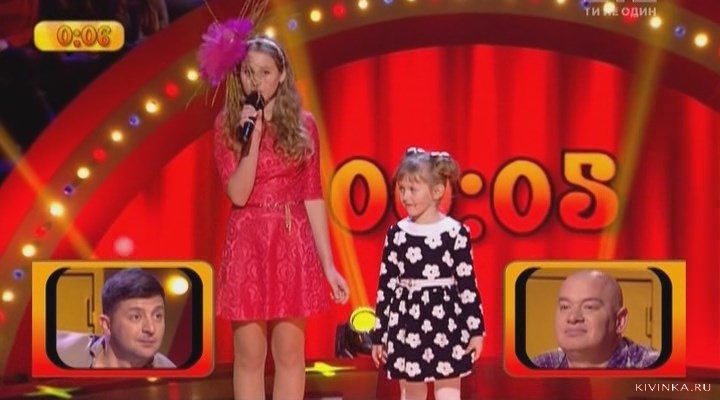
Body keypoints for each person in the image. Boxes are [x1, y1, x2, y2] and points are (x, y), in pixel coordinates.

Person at [208, 30, 350, 399]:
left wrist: (329, 266)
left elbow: (312, 195)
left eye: (265, 72)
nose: (256, 80)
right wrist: (252, 137)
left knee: (289, 354)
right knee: (249, 356)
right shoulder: (228, 125)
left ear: (282, 74)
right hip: (248, 239)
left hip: (291, 237)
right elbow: (238, 193)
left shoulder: (305, 125)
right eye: (248, 72)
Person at [370, 147, 486, 400]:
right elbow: (386, 288)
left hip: (446, 322)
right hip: (407, 323)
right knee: (411, 391)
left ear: (437, 191)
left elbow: (467, 286)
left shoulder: (456, 233)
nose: (405, 197)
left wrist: (476, 331)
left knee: (448, 390)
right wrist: (379, 335)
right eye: (402, 189)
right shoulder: (397, 234)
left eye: (413, 189)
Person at [532, 269, 660, 369]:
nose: (572, 318)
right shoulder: (538, 366)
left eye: (589, 307)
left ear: (620, 321)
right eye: (565, 307)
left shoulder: (654, 368)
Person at [55, 268, 176, 368]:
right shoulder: (60, 352)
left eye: (157, 316)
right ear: (106, 325)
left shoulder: (170, 375)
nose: (150, 329)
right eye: (136, 317)